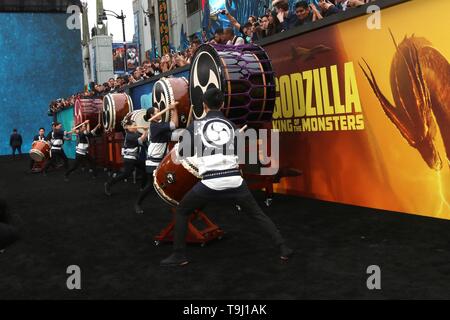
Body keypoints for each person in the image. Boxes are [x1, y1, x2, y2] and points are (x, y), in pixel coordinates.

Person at [160, 88, 293, 267]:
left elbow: (183, 152)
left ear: (204, 106)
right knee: (257, 214)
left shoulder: (197, 126)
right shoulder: (231, 126)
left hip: (210, 183)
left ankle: (179, 255)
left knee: (183, 210)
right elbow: (237, 155)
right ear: (222, 104)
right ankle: (283, 247)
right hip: (235, 181)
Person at [134, 103, 181, 214]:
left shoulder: (159, 126)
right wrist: (174, 110)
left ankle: (174, 205)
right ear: (152, 114)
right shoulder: (155, 126)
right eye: (157, 110)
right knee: (151, 185)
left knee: (169, 182)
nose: (160, 111)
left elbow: (174, 130)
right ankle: (137, 203)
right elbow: (174, 124)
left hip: (160, 161)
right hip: (153, 161)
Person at [104, 119, 148, 196]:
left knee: (145, 169)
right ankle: (108, 184)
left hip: (134, 158)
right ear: (128, 127)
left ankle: (143, 187)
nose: (136, 127)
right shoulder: (130, 135)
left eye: (136, 125)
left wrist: (145, 132)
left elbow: (143, 138)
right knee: (125, 174)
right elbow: (142, 139)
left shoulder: (133, 133)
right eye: (134, 125)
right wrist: (145, 131)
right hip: (129, 159)